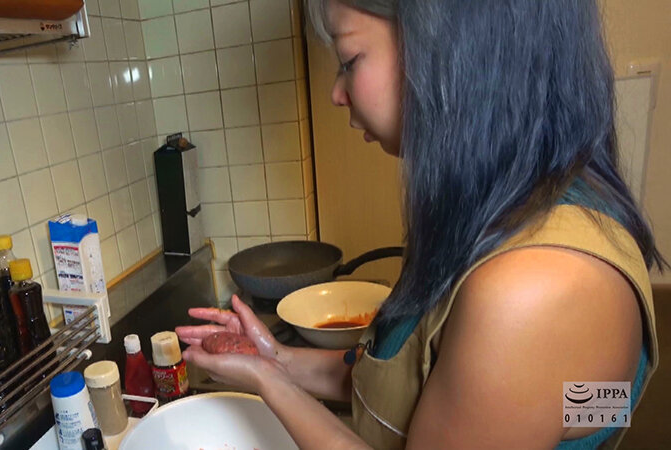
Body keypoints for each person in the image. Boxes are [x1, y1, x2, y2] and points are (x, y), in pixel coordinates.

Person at [176, 0, 665, 448]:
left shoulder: (532, 289)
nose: (336, 93)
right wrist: (273, 359)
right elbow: (427, 390)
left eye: (349, 60)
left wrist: (268, 383)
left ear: (453, 46)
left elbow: (564, 401)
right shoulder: (505, 211)